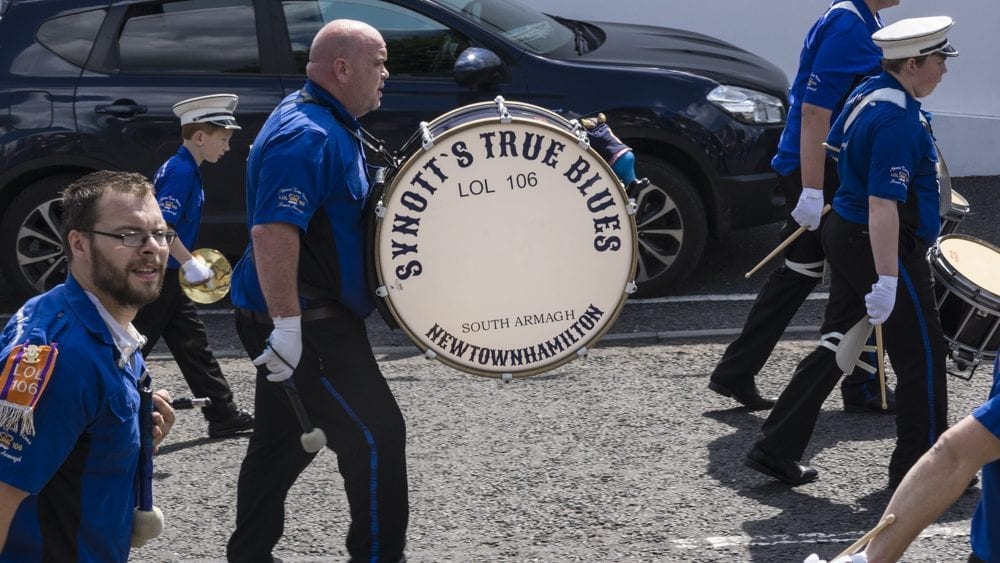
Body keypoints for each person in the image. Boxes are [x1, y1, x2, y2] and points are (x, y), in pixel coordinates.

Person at [744, 16, 957, 488]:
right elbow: (884, 204)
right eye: (940, 60)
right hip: (880, 243)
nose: (944, 70)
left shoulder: (868, 93)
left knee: (839, 342)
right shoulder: (898, 119)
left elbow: (837, 150)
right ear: (915, 62)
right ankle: (924, 471)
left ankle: (775, 446)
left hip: (847, 231)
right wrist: (886, 279)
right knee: (921, 354)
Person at [226, 20, 407, 562]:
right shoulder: (306, 134)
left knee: (281, 445)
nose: (386, 74)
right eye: (378, 62)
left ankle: (249, 556)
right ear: (343, 69)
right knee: (376, 438)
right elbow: (273, 230)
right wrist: (287, 325)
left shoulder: (327, 118)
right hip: (309, 321)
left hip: (303, 315)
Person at [709, 0, 900, 413]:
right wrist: (812, 190)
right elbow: (816, 109)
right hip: (819, 168)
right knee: (858, 275)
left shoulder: (857, 15)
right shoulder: (851, 25)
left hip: (818, 165)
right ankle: (862, 385)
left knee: (801, 271)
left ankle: (737, 371)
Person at [0, 170, 176, 560]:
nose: (152, 248)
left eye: (160, 234)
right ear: (78, 243)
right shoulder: (63, 359)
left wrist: (130, 432)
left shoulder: (91, 322)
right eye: (128, 235)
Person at [133, 94, 254, 439]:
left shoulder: (183, 168)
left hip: (167, 273)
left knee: (191, 343)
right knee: (133, 344)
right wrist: (190, 263)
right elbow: (161, 227)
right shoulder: (182, 172)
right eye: (223, 138)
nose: (228, 147)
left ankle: (223, 412)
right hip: (163, 273)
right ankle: (97, 404)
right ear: (200, 136)